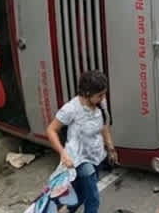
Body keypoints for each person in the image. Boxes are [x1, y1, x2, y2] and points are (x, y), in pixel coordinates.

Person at [47, 70, 118, 213]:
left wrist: (110, 148)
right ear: (87, 93)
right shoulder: (71, 109)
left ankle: (63, 210)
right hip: (79, 159)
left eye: (104, 94)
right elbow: (51, 130)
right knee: (93, 198)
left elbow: (103, 126)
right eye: (100, 95)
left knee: (80, 194)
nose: (103, 98)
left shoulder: (99, 104)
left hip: (96, 155)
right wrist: (63, 153)